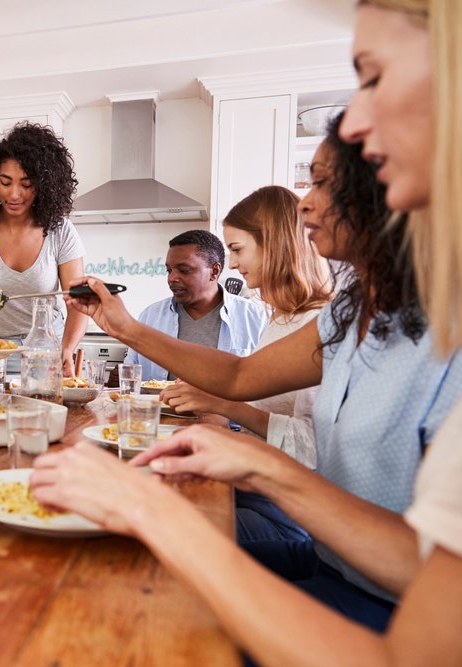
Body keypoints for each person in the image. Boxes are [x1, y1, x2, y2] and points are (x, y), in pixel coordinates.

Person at [33, 3, 462, 663]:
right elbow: (235, 378)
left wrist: (198, 495)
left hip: (375, 606)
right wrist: (118, 323)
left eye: (321, 182)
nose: (305, 202)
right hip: (335, 574)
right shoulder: (354, 309)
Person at [162, 187, 331, 467]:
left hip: (282, 492)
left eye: (237, 250)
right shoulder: (281, 317)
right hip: (257, 469)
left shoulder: (318, 323)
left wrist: (220, 403)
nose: (233, 264)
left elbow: (313, 446)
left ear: (275, 244)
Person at [0, 122, 89, 375]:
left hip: (46, 347)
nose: (14, 194)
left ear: (44, 185)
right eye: (6, 182)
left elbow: (77, 303)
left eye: (26, 184)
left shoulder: (60, 232)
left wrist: (67, 349)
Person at [125, 229, 267, 382]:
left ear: (214, 271)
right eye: (169, 270)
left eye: (184, 270)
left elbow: (268, 386)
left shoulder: (256, 319)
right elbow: (129, 376)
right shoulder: (150, 316)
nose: (172, 278)